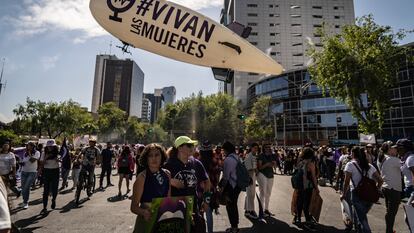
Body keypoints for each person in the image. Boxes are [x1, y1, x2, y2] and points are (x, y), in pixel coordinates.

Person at [164, 136, 210, 233]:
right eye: (189, 145)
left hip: (194, 209)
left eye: (193, 145)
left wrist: (206, 201)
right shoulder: (168, 165)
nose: (192, 147)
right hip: (174, 211)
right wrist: (170, 180)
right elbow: (156, 182)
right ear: (180, 148)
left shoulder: (196, 163)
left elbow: (207, 183)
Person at [341, 147, 383, 233]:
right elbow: (380, 180)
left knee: (362, 218)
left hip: (357, 194)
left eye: (351, 153)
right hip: (370, 196)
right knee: (358, 215)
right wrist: (377, 190)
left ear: (353, 154)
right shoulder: (370, 166)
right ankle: (358, 230)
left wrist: (344, 194)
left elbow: (346, 182)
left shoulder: (350, 165)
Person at [131, 144, 170, 233]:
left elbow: (168, 201)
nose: (154, 158)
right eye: (150, 155)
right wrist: (144, 212)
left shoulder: (167, 174)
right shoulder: (142, 177)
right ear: (146, 158)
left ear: (162, 156)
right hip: (146, 223)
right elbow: (133, 207)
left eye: (157, 155)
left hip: (162, 221)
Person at [293, 147, 319, 230]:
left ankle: (298, 218)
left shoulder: (300, 162)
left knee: (299, 201)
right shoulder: (311, 163)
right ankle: (307, 221)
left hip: (299, 185)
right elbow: (314, 177)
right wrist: (316, 187)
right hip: (307, 186)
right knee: (306, 203)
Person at [379, 141, 402, 233]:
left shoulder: (383, 158)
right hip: (393, 189)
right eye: (394, 148)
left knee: (389, 212)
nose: (397, 149)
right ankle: (389, 231)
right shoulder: (393, 160)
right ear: (389, 149)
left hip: (386, 187)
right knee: (392, 213)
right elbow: (405, 166)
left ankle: (389, 229)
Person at [199, 140, 220, 233]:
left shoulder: (198, 161)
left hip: (200, 190)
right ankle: (210, 231)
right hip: (211, 189)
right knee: (209, 212)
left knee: (200, 213)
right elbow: (217, 175)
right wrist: (216, 186)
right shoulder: (214, 161)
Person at [222, 141, 241, 233]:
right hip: (238, 185)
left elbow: (226, 177)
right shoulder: (237, 157)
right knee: (234, 205)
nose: (223, 152)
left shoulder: (228, 159)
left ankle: (234, 228)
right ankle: (235, 226)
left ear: (226, 150)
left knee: (230, 206)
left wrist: (221, 188)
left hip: (232, 186)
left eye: (223, 150)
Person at [40, 140, 60, 212]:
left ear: (54, 146)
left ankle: (53, 199)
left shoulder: (57, 153)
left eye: (52, 146)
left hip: (55, 171)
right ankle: (44, 207)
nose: (50, 148)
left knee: (55, 189)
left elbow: (61, 161)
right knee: (46, 190)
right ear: (46, 146)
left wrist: (58, 159)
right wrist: (46, 157)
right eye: (49, 146)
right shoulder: (43, 153)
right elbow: (42, 163)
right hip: (47, 171)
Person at [257, 143, 276, 217]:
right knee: (263, 193)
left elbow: (275, 165)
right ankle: (261, 211)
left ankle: (266, 209)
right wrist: (267, 164)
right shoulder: (261, 155)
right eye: (266, 147)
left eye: (269, 147)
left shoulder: (272, 155)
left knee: (268, 193)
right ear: (263, 148)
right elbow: (260, 168)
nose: (268, 148)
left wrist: (274, 164)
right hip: (262, 174)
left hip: (270, 175)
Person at [20, 142, 40, 209]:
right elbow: (25, 161)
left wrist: (29, 154)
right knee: (23, 188)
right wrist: (21, 163)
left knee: (26, 187)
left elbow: (32, 161)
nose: (27, 147)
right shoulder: (25, 153)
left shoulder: (37, 152)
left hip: (32, 172)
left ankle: (26, 202)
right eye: (27, 146)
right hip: (24, 171)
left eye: (28, 146)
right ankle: (24, 201)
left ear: (32, 146)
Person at [244, 142, 259, 219]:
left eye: (257, 148)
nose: (256, 150)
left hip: (253, 177)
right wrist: (250, 179)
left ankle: (247, 210)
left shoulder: (254, 156)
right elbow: (249, 169)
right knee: (251, 195)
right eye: (255, 148)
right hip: (249, 178)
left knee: (250, 194)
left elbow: (254, 167)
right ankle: (251, 211)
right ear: (251, 148)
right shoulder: (248, 156)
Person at [397, 139, 414, 204]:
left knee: (409, 212)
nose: (397, 150)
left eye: (398, 148)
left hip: (412, 188)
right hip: (409, 188)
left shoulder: (410, 158)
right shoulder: (405, 158)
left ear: (404, 149)